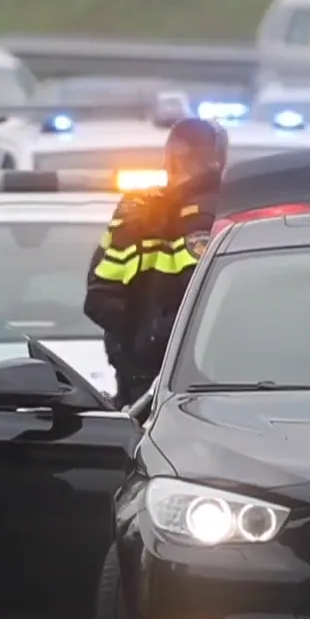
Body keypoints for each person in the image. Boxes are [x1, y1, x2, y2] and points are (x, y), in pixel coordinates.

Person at [84, 117, 226, 406]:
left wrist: (139, 343)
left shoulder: (135, 212)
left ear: (169, 158)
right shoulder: (223, 212)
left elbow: (99, 298)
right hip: (190, 386)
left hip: (146, 383)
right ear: (218, 160)